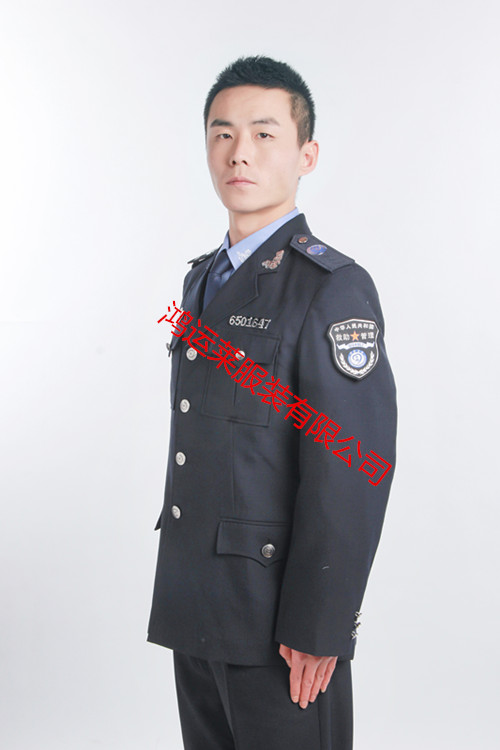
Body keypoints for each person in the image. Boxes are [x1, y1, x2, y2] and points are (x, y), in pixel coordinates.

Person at [147, 55, 397, 750]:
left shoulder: (330, 287)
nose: (240, 153)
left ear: (305, 155)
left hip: (280, 626)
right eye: (222, 133)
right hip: (197, 605)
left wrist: (321, 625)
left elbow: (354, 463)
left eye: (263, 133)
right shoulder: (204, 280)